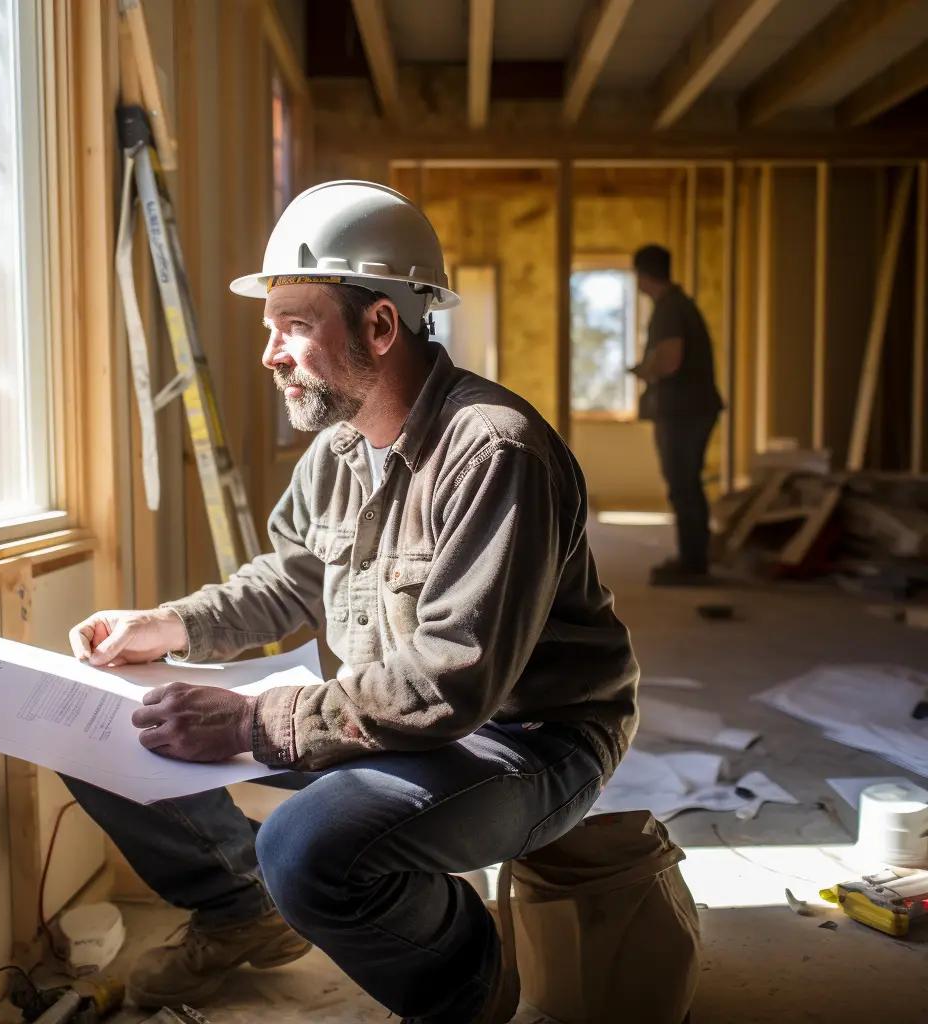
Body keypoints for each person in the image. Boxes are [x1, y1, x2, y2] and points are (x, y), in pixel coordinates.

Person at [66, 181, 639, 1024]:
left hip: (532, 737)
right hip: (394, 718)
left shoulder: (494, 451)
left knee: (305, 843)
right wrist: (168, 624)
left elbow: (453, 681)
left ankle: (468, 988)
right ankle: (240, 911)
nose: (269, 353)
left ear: (380, 325)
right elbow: (293, 576)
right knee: (101, 726)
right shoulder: (337, 452)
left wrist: (255, 721)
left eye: (293, 325)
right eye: (270, 328)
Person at [630, 244, 723, 587]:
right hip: (691, 409)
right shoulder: (677, 305)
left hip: (684, 412)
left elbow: (670, 359)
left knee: (684, 485)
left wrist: (645, 371)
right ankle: (694, 559)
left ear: (642, 276)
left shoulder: (669, 308)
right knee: (687, 484)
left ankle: (693, 565)